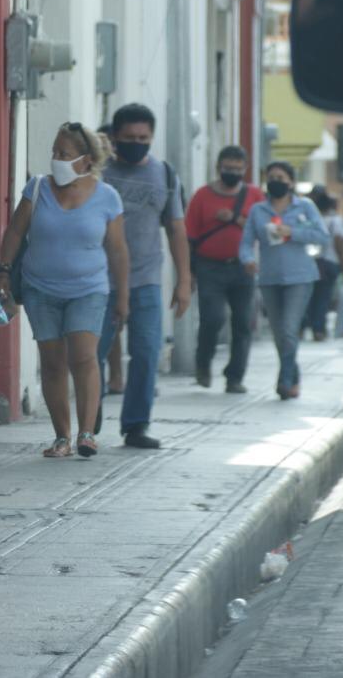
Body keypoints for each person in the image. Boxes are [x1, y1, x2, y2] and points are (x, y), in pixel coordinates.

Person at [0, 123, 129, 458]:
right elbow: (14, 232)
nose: (56, 159)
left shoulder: (107, 197)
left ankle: (87, 433)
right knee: (52, 363)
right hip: (41, 289)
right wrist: (4, 271)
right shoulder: (37, 188)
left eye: (64, 154)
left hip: (89, 289)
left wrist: (123, 296)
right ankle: (61, 437)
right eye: (54, 152)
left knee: (83, 357)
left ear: (85, 161)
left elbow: (118, 251)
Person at [97, 104, 192, 449]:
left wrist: (183, 281)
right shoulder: (98, 172)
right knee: (92, 354)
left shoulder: (164, 174)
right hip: (99, 280)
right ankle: (88, 421)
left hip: (147, 279)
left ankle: (136, 424)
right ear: (114, 138)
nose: (137, 143)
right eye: (129, 138)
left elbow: (177, 230)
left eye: (143, 138)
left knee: (147, 352)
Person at [238, 162, 328, 399]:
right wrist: (247, 259)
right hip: (269, 278)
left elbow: (322, 236)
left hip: (300, 277)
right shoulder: (258, 211)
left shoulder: (305, 207)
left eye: (281, 177)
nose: (276, 181)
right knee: (280, 333)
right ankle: (294, 375)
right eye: (271, 177)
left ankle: (284, 380)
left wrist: (292, 232)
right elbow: (246, 242)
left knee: (289, 329)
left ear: (291, 182)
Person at [184, 145, 264, 394]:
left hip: (243, 267)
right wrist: (188, 273)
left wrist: (234, 219)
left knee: (243, 323)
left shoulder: (254, 195)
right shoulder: (202, 196)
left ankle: (235, 377)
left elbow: (265, 229)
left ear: (245, 170)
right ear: (218, 167)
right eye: (228, 168)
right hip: (210, 267)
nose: (233, 172)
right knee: (213, 318)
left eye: (238, 169)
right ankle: (203, 361)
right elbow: (189, 236)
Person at [98, 123, 125, 396]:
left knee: (116, 326)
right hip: (95, 270)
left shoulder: (115, 185)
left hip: (120, 265)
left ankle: (116, 375)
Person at [303, 188, 343, 341]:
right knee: (323, 297)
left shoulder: (308, 220)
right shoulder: (336, 220)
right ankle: (319, 329)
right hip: (329, 263)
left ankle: (303, 326)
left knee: (308, 296)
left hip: (308, 263)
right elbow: (340, 243)